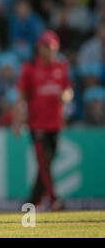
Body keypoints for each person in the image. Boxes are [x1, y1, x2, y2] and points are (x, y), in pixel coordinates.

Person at [12, 30, 73, 211]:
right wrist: (17, 120)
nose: (49, 51)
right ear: (39, 48)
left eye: (52, 47)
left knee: (45, 166)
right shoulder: (30, 68)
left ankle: (32, 202)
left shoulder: (61, 66)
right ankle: (54, 200)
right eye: (46, 47)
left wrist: (66, 96)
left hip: (55, 123)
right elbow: (21, 96)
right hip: (37, 124)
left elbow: (68, 88)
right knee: (44, 163)